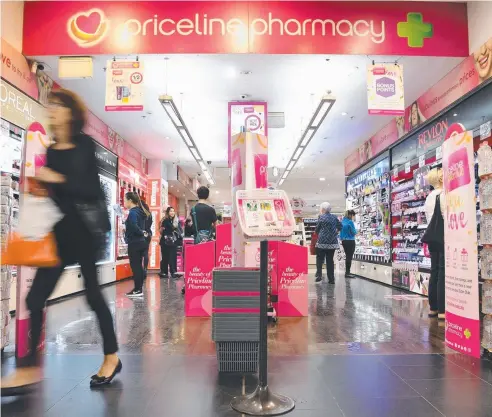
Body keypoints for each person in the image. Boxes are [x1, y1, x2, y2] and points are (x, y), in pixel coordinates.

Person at [1, 89, 120, 395]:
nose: (51, 110)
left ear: (70, 112)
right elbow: (59, 198)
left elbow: (92, 190)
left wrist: (58, 179)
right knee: (34, 298)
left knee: (93, 296)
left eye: (57, 106)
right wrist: (42, 185)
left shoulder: (84, 146)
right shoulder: (52, 150)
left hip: (87, 235)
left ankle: (111, 356)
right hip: (59, 235)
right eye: (50, 106)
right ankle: (28, 370)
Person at [424, 168, 446, 320]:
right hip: (443, 236)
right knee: (442, 270)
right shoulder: (443, 195)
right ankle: (443, 309)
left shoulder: (429, 197)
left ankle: (433, 308)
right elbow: (446, 215)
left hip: (432, 236)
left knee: (434, 270)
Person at [124, 192, 149, 298]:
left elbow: (134, 225)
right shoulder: (140, 211)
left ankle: (138, 289)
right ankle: (138, 289)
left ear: (130, 200)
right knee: (138, 266)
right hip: (141, 242)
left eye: (125, 200)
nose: (125, 202)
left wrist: (140, 232)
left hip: (135, 242)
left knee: (136, 267)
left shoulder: (133, 212)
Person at [315, 202, 342, 284]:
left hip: (322, 242)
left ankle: (319, 275)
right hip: (332, 242)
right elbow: (340, 226)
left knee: (320, 258)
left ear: (323, 209)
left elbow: (317, 229)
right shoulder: (334, 217)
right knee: (330, 260)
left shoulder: (321, 217)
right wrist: (335, 233)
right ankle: (331, 279)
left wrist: (318, 233)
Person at [159, 206, 182, 278]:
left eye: (173, 211)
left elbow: (179, 230)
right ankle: (164, 272)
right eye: (170, 211)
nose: (172, 212)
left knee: (173, 257)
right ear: (168, 212)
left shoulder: (175, 220)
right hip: (165, 241)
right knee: (166, 257)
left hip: (173, 241)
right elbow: (171, 228)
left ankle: (174, 272)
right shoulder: (166, 220)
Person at [341, 210, 357, 278]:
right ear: (350, 215)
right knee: (349, 257)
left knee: (347, 256)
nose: (354, 217)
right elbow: (354, 232)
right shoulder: (350, 222)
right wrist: (356, 231)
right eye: (353, 215)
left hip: (344, 241)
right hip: (350, 241)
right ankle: (347, 273)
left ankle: (347, 272)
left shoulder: (342, 221)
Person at [140, 199, 152, 278]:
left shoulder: (140, 213)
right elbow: (150, 224)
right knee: (145, 253)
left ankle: (141, 270)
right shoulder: (149, 214)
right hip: (148, 234)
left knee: (139, 253)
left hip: (141, 234)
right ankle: (145, 269)